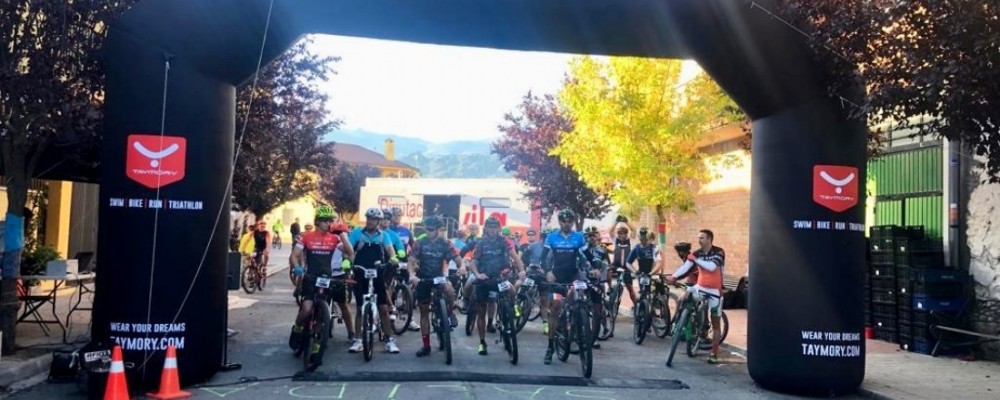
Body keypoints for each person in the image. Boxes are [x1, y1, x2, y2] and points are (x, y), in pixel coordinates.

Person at [287, 205, 354, 369]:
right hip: (311, 277)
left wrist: (342, 235)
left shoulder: (334, 238)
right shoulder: (306, 237)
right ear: (318, 222)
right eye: (325, 221)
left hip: (327, 278)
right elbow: (294, 256)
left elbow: (350, 254)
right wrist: (297, 267)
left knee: (323, 315)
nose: (328, 224)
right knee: (307, 309)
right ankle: (297, 327)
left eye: (330, 221)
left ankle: (317, 347)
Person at [467, 216, 525, 355]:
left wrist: (522, 270)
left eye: (495, 227)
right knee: (481, 311)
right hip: (484, 278)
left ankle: (510, 311)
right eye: (490, 227)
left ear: (499, 228)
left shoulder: (503, 241)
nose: (493, 230)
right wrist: (477, 274)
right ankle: (482, 342)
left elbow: (515, 256)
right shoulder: (480, 243)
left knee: (511, 291)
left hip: (500, 276)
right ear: (486, 228)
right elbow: (474, 262)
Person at [665, 229, 725, 364]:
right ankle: (685, 322)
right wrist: (674, 276)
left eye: (702, 238)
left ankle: (714, 353)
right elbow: (686, 266)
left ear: (709, 239)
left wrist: (696, 259)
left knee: (716, 324)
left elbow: (711, 267)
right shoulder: (696, 254)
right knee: (684, 297)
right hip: (700, 287)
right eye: (698, 238)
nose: (699, 240)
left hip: (715, 291)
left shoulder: (719, 252)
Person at [347, 207, 402, 354]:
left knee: (383, 308)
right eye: (369, 218)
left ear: (378, 221)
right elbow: (349, 250)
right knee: (359, 309)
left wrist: (393, 257)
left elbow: (390, 249)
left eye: (374, 219)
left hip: (377, 273)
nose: (371, 221)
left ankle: (389, 340)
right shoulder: (357, 233)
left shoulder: (383, 235)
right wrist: (347, 261)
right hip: (360, 272)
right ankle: (358, 340)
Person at [540, 210, 592, 364]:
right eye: (563, 221)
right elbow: (543, 259)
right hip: (557, 275)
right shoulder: (552, 237)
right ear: (560, 222)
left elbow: (588, 255)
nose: (566, 224)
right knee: (555, 306)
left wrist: (594, 267)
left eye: (569, 221)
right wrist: (548, 272)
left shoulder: (579, 237)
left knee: (581, 293)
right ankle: (550, 347)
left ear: (573, 222)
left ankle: (579, 320)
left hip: (574, 274)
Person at [408, 215, 461, 357]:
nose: (429, 231)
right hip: (423, 278)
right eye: (427, 228)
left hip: (439, 277)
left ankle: (449, 312)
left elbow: (457, 258)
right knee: (424, 311)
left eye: (432, 229)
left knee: (449, 290)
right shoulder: (420, 243)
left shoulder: (445, 243)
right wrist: (412, 275)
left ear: (438, 229)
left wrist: (461, 267)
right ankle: (426, 345)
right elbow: (411, 260)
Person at [380, 208, 420, 332]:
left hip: (403, 261)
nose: (397, 217)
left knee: (408, 289)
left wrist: (415, 262)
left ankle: (410, 319)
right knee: (388, 287)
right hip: (389, 261)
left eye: (399, 215)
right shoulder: (387, 230)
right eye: (395, 215)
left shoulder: (406, 231)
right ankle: (387, 314)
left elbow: (413, 247)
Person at [583, 226, 610, 347]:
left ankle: (595, 334)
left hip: (597, 282)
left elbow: (606, 267)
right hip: (582, 281)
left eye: (593, 235)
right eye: (588, 235)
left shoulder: (602, 250)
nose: (591, 237)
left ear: (597, 236)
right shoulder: (580, 249)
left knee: (597, 310)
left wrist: (606, 283)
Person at [625, 227, 662, 311]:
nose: (643, 241)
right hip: (642, 274)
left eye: (645, 239)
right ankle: (642, 313)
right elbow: (628, 263)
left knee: (657, 291)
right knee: (643, 293)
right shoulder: (636, 248)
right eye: (641, 239)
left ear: (649, 238)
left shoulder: (654, 248)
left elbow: (659, 262)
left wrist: (652, 273)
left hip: (653, 273)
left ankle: (659, 307)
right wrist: (634, 271)